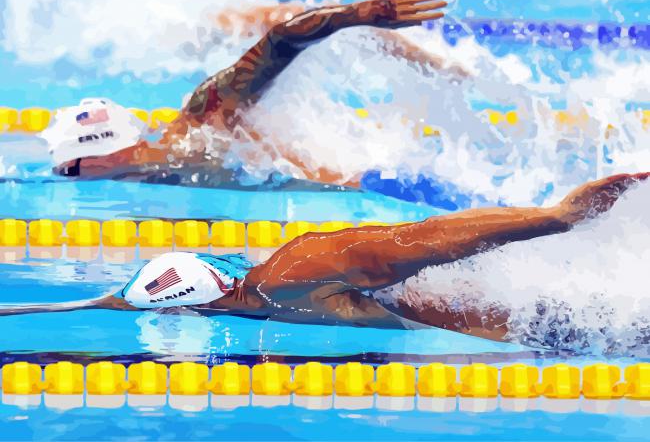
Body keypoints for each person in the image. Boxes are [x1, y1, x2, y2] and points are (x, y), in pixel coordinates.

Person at [3, 172, 647, 346]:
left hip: (559, 325)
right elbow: (430, 238)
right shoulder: (271, 282)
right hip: (557, 326)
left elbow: (428, 237)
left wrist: (556, 218)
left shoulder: (281, 288)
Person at [48, 0, 451, 186]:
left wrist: (362, 13)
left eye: (69, 171)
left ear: (96, 160)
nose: (68, 176)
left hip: (372, 181)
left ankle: (445, 67)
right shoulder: (150, 169)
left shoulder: (204, 117)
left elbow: (280, 39)